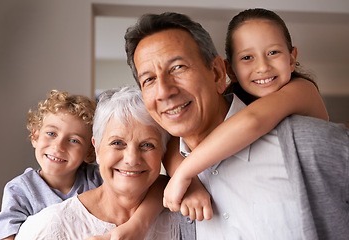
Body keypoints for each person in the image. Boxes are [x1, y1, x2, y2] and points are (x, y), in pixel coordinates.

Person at [125, 10, 349, 240]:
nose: (163, 91)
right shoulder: (172, 185)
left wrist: (184, 171)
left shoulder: (305, 135)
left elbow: (253, 121)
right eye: (149, 79)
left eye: (178, 67)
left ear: (217, 73)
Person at [162, 8, 330, 215]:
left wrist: (185, 173)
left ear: (291, 58)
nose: (262, 67)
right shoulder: (234, 107)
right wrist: (193, 183)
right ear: (230, 70)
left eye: (273, 53)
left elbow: (254, 120)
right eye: (247, 57)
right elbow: (171, 142)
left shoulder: (303, 90)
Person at [15, 86, 195, 240]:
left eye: (147, 145)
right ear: (97, 149)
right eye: (117, 143)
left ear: (163, 152)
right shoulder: (46, 228)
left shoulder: (187, 216)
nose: (132, 159)